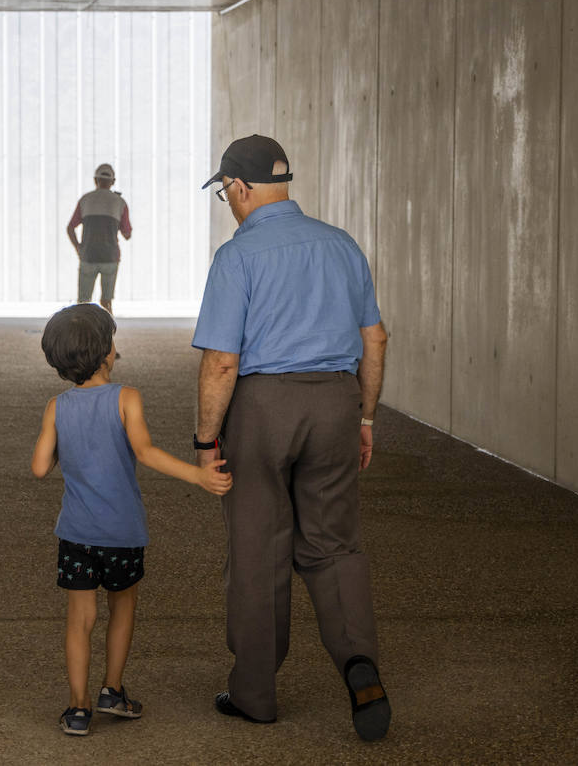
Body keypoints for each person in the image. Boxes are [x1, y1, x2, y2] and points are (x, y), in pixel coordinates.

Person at [192, 134, 391, 740]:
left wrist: (205, 444)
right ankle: (360, 665)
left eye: (226, 191)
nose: (228, 202)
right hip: (335, 401)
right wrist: (363, 417)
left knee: (258, 548)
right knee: (333, 545)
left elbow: (222, 362)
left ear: (241, 188)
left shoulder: (237, 256)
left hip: (263, 407)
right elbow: (376, 339)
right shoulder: (341, 245)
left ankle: (254, 692)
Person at [31, 304, 232, 736]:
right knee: (122, 609)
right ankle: (112, 691)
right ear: (107, 352)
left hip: (76, 535)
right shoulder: (126, 398)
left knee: (79, 619)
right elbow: (145, 452)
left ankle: (77, 708)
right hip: (121, 533)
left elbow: (39, 467)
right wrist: (197, 474)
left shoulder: (56, 407)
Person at [67, 163, 132, 314]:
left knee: (83, 302)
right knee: (106, 302)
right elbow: (127, 234)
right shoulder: (120, 203)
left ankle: (82, 334)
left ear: (95, 180)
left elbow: (70, 227)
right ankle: (108, 335)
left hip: (88, 256)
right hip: (110, 257)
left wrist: (78, 247)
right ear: (113, 182)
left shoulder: (85, 200)